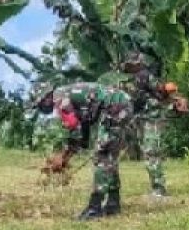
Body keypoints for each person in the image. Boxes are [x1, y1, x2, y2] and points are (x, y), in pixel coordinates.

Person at [32, 82, 134, 220]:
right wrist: (68, 155)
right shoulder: (67, 94)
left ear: (46, 98)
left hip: (114, 107)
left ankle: (94, 207)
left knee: (102, 157)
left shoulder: (60, 100)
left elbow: (74, 127)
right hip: (122, 105)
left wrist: (63, 157)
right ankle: (113, 203)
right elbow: (82, 129)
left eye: (40, 105)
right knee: (110, 157)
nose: (42, 108)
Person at [120, 53, 189, 199]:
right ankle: (157, 188)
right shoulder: (128, 80)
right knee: (148, 152)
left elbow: (161, 91)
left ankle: (159, 191)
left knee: (151, 151)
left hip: (152, 117)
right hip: (141, 118)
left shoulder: (144, 75)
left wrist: (177, 98)